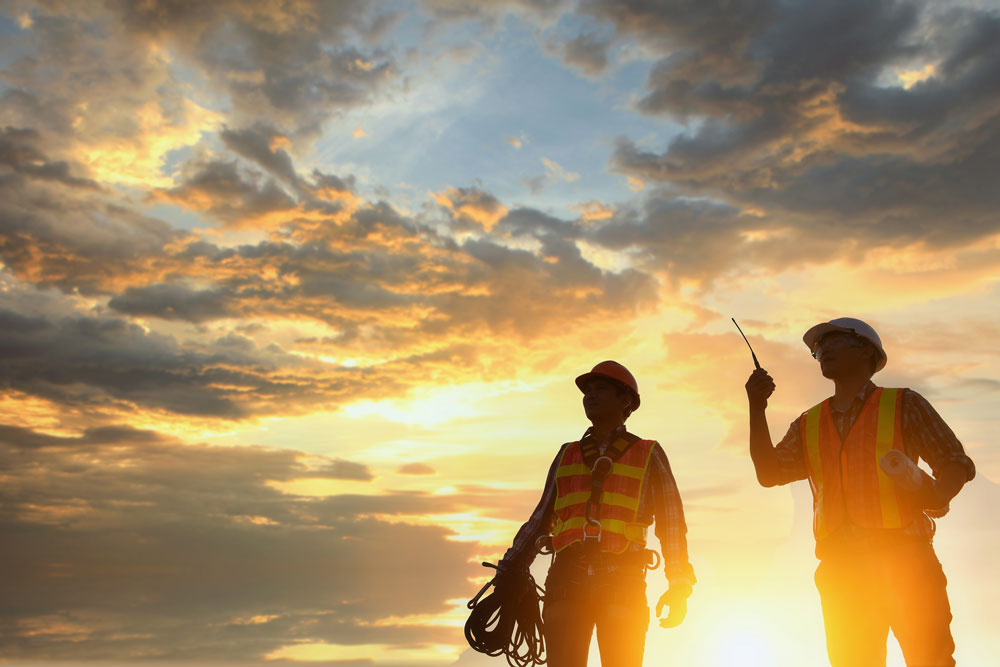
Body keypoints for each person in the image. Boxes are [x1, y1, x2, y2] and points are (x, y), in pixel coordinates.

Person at [744, 317, 975, 667]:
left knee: (930, 660)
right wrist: (757, 408)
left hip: (905, 560)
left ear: (867, 352)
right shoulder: (809, 422)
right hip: (842, 569)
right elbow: (769, 473)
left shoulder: (903, 404)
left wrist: (938, 494)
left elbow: (954, 461)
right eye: (819, 348)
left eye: (834, 343)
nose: (823, 351)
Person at [499, 360, 695, 667]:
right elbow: (540, 519)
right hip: (567, 578)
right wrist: (509, 569)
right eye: (587, 391)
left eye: (600, 389)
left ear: (625, 400)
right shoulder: (567, 453)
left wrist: (680, 585)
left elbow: (672, 524)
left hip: (623, 578)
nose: (590, 395)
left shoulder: (648, 453)